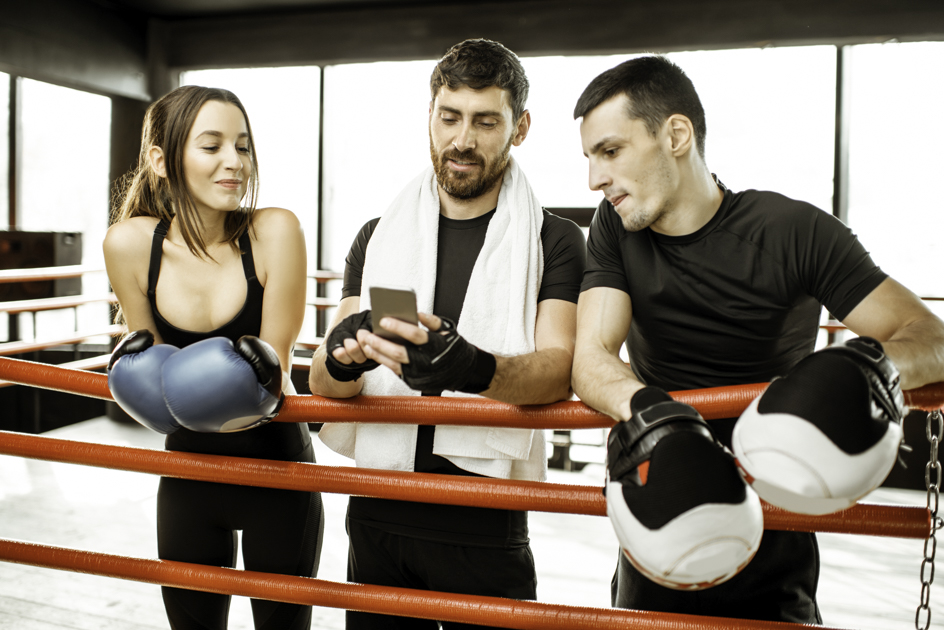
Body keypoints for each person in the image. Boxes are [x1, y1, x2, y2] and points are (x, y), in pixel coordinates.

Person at [570, 55, 944, 622]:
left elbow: (930, 336)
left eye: (611, 152)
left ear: (675, 134)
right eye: (590, 158)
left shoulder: (793, 230)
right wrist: (654, 414)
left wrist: (870, 370)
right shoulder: (615, 228)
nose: (595, 179)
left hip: (776, 505)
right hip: (663, 497)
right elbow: (592, 356)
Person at [309, 38, 586, 629]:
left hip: (484, 519)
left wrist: (472, 368)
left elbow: (558, 366)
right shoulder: (378, 234)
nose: (463, 140)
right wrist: (345, 354)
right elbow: (323, 387)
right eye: (449, 117)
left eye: (486, 122)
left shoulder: (554, 240)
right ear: (430, 117)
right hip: (379, 514)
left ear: (521, 127)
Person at [103, 85, 324, 630]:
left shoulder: (275, 232)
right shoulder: (129, 246)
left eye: (243, 147)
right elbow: (147, 374)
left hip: (276, 470)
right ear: (160, 159)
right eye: (212, 146)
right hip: (188, 475)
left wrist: (186, 390)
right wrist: (137, 381)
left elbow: (271, 373)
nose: (235, 162)